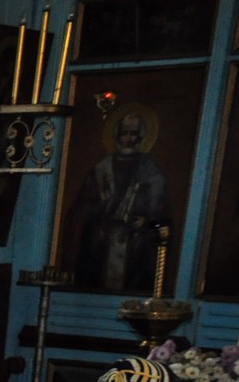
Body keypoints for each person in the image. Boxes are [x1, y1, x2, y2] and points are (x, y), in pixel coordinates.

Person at [71, 110, 170, 293]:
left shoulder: (150, 170)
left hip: (135, 239)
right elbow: (82, 207)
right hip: (103, 238)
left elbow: (159, 209)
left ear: (140, 137)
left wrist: (146, 221)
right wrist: (98, 213)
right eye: (125, 133)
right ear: (117, 135)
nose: (129, 139)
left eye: (134, 134)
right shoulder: (101, 169)